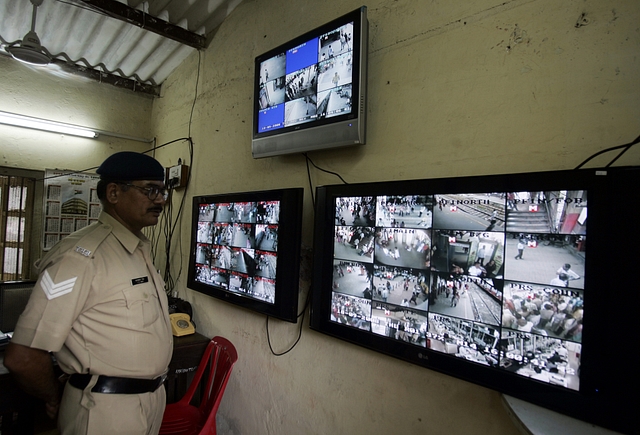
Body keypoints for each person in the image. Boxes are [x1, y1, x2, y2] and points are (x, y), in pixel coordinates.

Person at [4, 152, 173, 435]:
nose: (160, 200)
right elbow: (24, 356)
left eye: (162, 191)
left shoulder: (137, 250)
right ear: (114, 192)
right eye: (150, 190)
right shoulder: (80, 258)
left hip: (149, 403)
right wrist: (54, 397)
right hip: (103, 410)